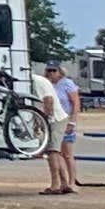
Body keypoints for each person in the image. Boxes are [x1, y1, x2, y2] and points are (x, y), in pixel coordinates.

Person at [36, 60, 81, 195]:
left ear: (60, 71)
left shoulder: (67, 84)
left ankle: (72, 183)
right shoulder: (46, 83)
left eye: (53, 70)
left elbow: (76, 103)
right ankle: (63, 182)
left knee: (67, 153)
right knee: (56, 152)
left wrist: (72, 121)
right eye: (48, 70)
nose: (51, 73)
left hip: (63, 119)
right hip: (52, 122)